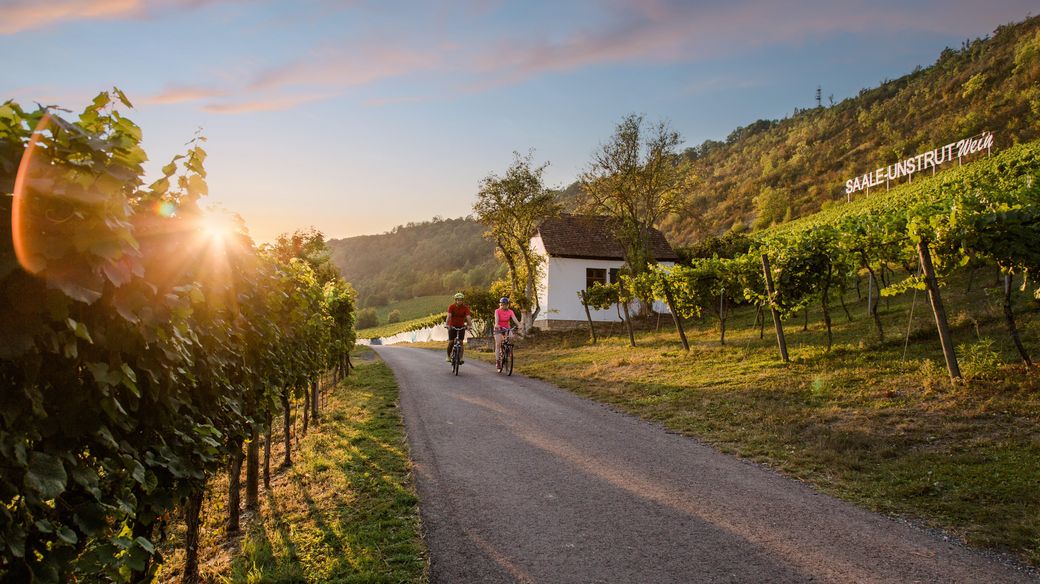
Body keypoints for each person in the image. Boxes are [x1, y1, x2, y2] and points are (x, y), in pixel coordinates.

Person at [493, 297, 522, 369]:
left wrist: (519, 325)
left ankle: (507, 351)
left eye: (506, 304)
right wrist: (496, 324)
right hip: (498, 328)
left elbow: (514, 318)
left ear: (508, 305)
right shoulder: (497, 311)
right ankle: (497, 361)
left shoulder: (510, 311)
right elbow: (496, 318)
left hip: (507, 328)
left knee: (511, 337)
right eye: (503, 304)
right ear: (501, 304)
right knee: (498, 343)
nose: (504, 306)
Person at [444, 292, 472, 363]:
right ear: (455, 300)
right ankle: (448, 356)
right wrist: (447, 324)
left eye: (461, 300)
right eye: (458, 300)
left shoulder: (465, 308)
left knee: (461, 342)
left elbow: (468, 317)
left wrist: (469, 325)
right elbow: (449, 316)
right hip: (452, 326)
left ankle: (461, 358)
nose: (459, 301)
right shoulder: (451, 307)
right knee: (451, 342)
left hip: (461, 326)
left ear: (462, 300)